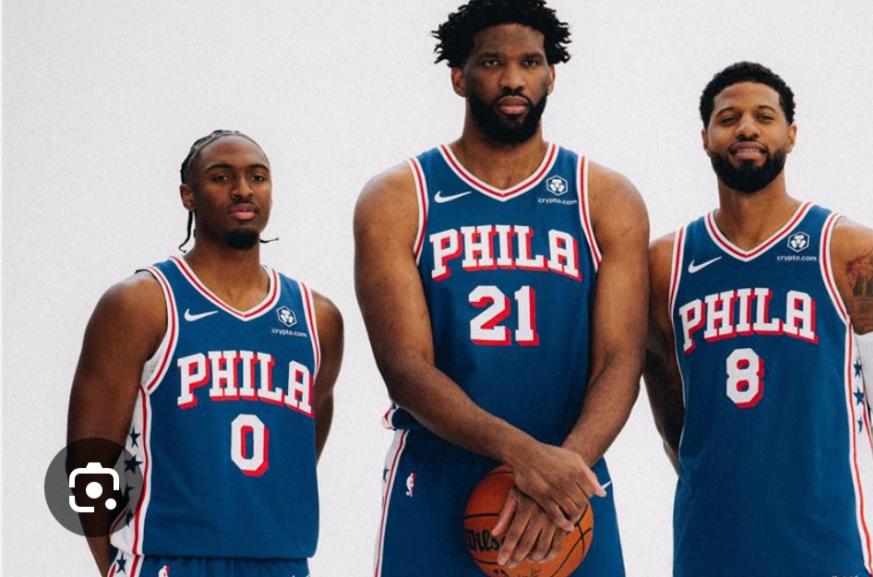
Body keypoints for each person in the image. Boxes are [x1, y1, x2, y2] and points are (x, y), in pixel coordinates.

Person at [353, 1, 649, 575]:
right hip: (439, 480)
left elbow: (620, 360)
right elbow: (404, 367)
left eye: (530, 62)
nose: (513, 78)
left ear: (551, 75)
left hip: (569, 479)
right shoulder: (399, 197)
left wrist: (560, 471)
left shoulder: (605, 197)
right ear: (459, 77)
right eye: (492, 62)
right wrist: (523, 456)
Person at [643, 62, 873, 577]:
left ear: (791, 135)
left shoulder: (851, 252)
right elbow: (673, 424)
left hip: (824, 548)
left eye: (764, 116)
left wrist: (824, 495)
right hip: (709, 545)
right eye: (728, 118)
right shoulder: (667, 263)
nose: (746, 128)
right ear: (705, 138)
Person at [67, 130, 344, 577]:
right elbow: (88, 459)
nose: (243, 190)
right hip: (165, 558)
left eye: (258, 177)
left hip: (281, 560)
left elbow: (301, 446)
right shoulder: (141, 304)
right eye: (221, 177)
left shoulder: (318, 318)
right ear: (188, 195)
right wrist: (113, 563)